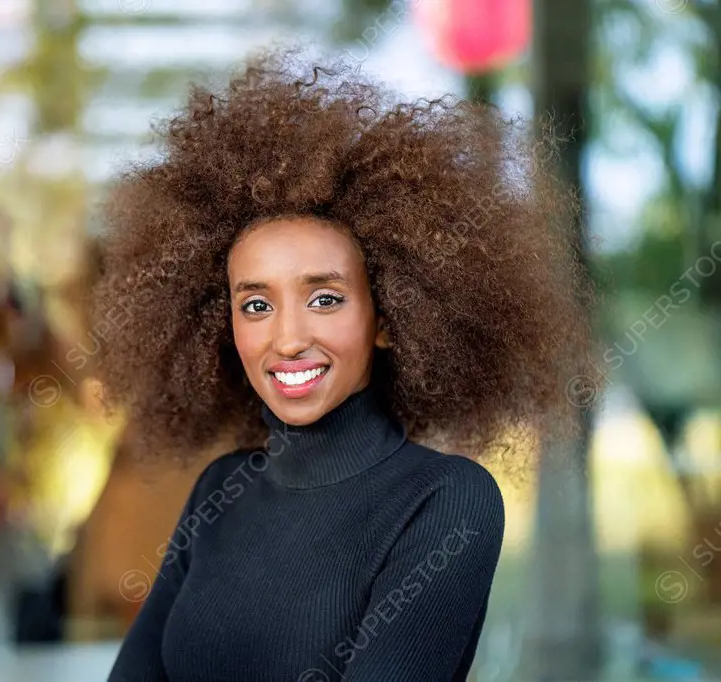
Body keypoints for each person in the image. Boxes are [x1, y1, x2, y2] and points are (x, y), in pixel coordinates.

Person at [92, 48, 595, 682]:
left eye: (324, 298)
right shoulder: (220, 490)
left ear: (389, 317)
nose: (289, 338)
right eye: (255, 303)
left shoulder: (445, 502)